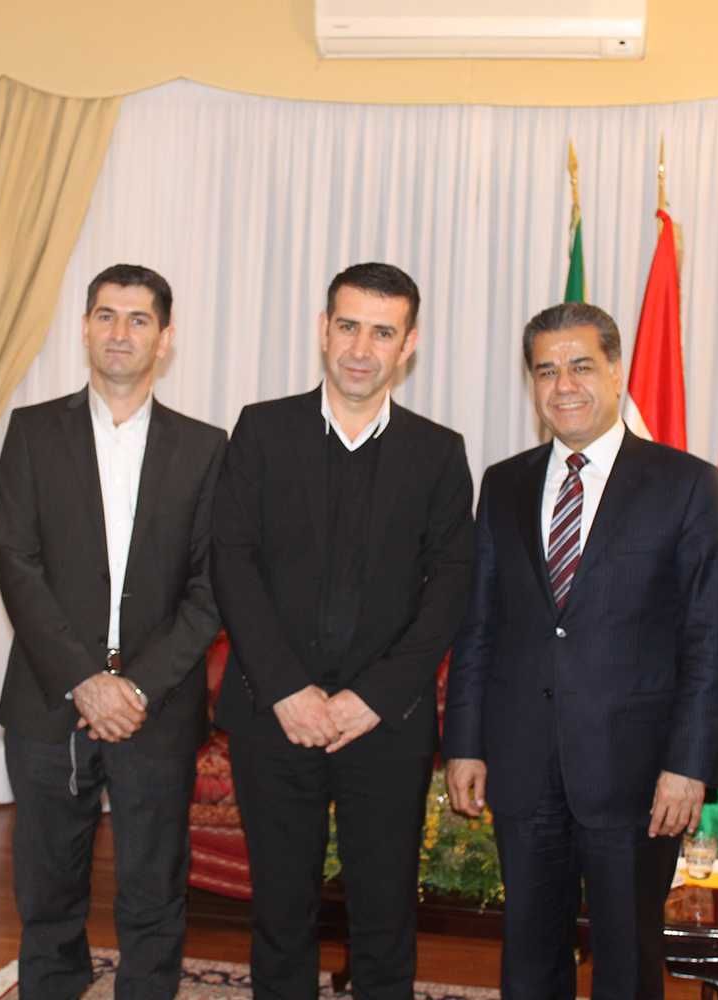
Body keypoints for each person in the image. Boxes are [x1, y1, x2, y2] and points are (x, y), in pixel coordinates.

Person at [443, 301, 718, 1000]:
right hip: (521, 766)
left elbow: (707, 637)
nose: (563, 385)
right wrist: (464, 743)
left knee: (627, 962)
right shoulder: (505, 482)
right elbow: (479, 625)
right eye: (546, 371)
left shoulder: (686, 484)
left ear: (615, 369)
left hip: (636, 776)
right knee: (529, 957)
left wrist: (688, 767)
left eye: (580, 366)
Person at [211, 262, 474, 999]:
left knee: (386, 916)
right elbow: (232, 564)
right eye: (349, 326)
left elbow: (449, 589)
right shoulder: (261, 431)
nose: (362, 347)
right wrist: (288, 689)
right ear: (324, 330)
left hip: (384, 728)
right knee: (281, 912)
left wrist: (373, 698)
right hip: (274, 717)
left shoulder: (439, 452)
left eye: (382, 332)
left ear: (408, 345)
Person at [0, 263, 227, 999]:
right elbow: (17, 564)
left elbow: (210, 588)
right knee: (47, 893)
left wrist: (133, 686)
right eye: (105, 315)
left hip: (156, 707)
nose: (119, 332)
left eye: (137, 319)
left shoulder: (206, 447)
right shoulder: (32, 432)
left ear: (165, 339)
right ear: (85, 327)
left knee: (152, 892)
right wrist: (85, 680)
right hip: (48, 701)